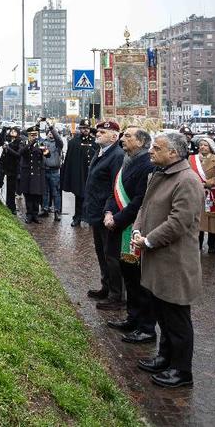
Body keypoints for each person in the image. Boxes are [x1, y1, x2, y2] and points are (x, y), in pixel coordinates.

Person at [133, 132, 203, 388]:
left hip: (175, 262)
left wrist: (148, 240)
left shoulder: (188, 181)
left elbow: (179, 222)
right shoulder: (158, 174)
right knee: (162, 313)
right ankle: (166, 357)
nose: (151, 151)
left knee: (177, 318)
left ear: (173, 153)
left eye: (157, 148)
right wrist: (139, 230)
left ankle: (182, 371)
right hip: (157, 258)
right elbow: (145, 207)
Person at [103, 127, 157, 345]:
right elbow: (113, 191)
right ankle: (132, 318)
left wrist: (117, 219)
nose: (123, 139)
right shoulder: (127, 160)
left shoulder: (147, 165)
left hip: (132, 229)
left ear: (142, 142)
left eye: (128, 136)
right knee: (129, 278)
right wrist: (108, 212)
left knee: (139, 281)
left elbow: (139, 201)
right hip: (117, 225)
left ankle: (146, 327)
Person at [83, 121, 125, 310]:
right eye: (97, 131)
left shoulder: (116, 155)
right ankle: (106, 287)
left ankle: (116, 295)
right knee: (102, 253)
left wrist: (110, 212)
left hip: (107, 213)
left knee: (111, 255)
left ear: (114, 136)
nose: (97, 134)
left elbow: (115, 188)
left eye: (102, 132)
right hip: (96, 211)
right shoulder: (101, 151)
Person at [61, 118, 99, 227]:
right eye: (83, 128)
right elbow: (70, 160)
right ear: (80, 129)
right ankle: (77, 217)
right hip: (79, 174)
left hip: (91, 175)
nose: (85, 130)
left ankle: (88, 218)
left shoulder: (95, 142)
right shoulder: (74, 142)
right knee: (79, 197)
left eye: (87, 128)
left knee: (91, 198)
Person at [190, 136, 215, 253]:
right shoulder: (191, 159)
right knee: (197, 221)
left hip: (212, 194)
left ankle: (213, 246)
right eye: (201, 144)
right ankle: (196, 245)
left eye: (205, 145)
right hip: (196, 193)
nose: (202, 147)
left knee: (214, 222)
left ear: (210, 147)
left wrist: (209, 183)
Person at [18, 126, 49, 223]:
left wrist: (45, 151)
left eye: (35, 135)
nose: (34, 137)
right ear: (28, 135)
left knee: (37, 195)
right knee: (28, 194)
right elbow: (20, 152)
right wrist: (30, 144)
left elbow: (48, 155)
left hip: (38, 173)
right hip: (27, 172)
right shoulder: (24, 143)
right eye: (32, 135)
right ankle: (29, 214)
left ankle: (35, 215)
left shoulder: (41, 143)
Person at [0, 126, 22, 213]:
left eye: (15, 131)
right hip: (3, 164)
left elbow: (18, 154)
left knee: (11, 187)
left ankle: (11, 206)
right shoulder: (6, 138)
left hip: (13, 166)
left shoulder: (19, 142)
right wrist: (3, 131)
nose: (12, 132)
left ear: (18, 134)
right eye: (11, 131)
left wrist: (8, 148)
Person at [40, 124, 64, 221]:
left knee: (55, 193)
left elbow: (59, 139)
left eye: (52, 133)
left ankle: (57, 212)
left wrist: (52, 129)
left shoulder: (58, 144)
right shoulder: (43, 142)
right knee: (45, 192)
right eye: (49, 132)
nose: (51, 134)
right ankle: (45, 209)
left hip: (54, 171)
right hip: (44, 170)